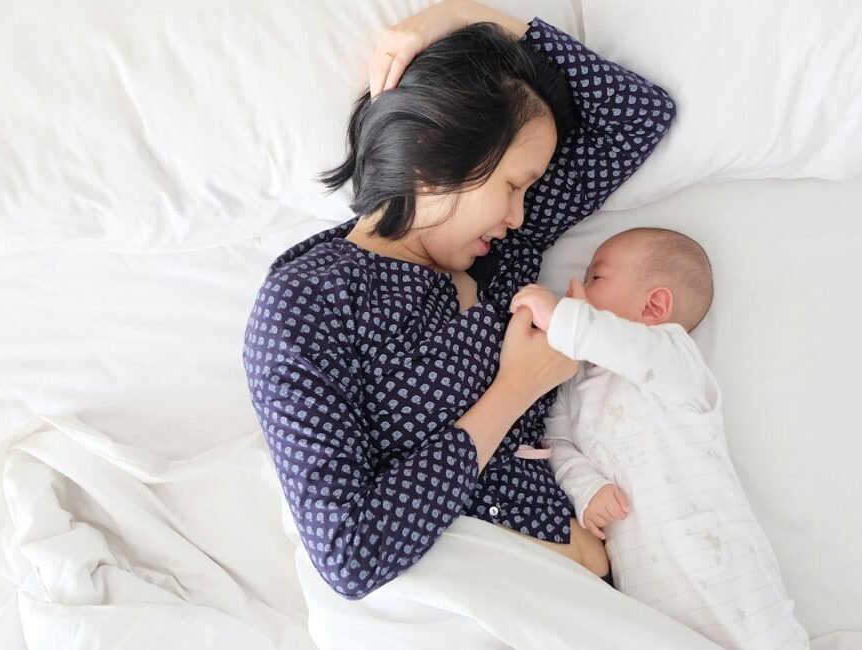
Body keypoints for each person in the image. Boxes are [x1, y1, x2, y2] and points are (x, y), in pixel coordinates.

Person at [243, 0, 675, 599]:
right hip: (475, 602)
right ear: (434, 152)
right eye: (513, 185)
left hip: (591, 598)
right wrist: (514, 390)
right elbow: (349, 553)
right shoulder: (307, 301)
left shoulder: (503, 251)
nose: (522, 212)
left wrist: (464, 17)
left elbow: (638, 115)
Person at [512, 228, 810, 649]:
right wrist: (587, 487)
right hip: (649, 595)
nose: (574, 289)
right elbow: (557, 443)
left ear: (653, 306)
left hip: (726, 572)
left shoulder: (671, 356)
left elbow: (623, 345)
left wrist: (563, 317)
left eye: (595, 278)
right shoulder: (574, 381)